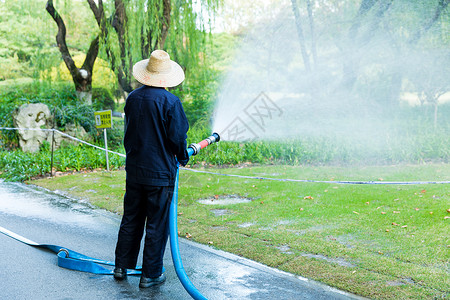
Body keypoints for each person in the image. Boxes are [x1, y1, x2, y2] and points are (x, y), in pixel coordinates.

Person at [113, 50, 190, 288]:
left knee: (131, 218)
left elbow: (129, 133)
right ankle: (151, 274)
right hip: (160, 174)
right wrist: (183, 156)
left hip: (135, 170)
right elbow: (177, 138)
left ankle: (121, 266)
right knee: (157, 222)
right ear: (167, 78)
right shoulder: (171, 102)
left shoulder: (133, 98)